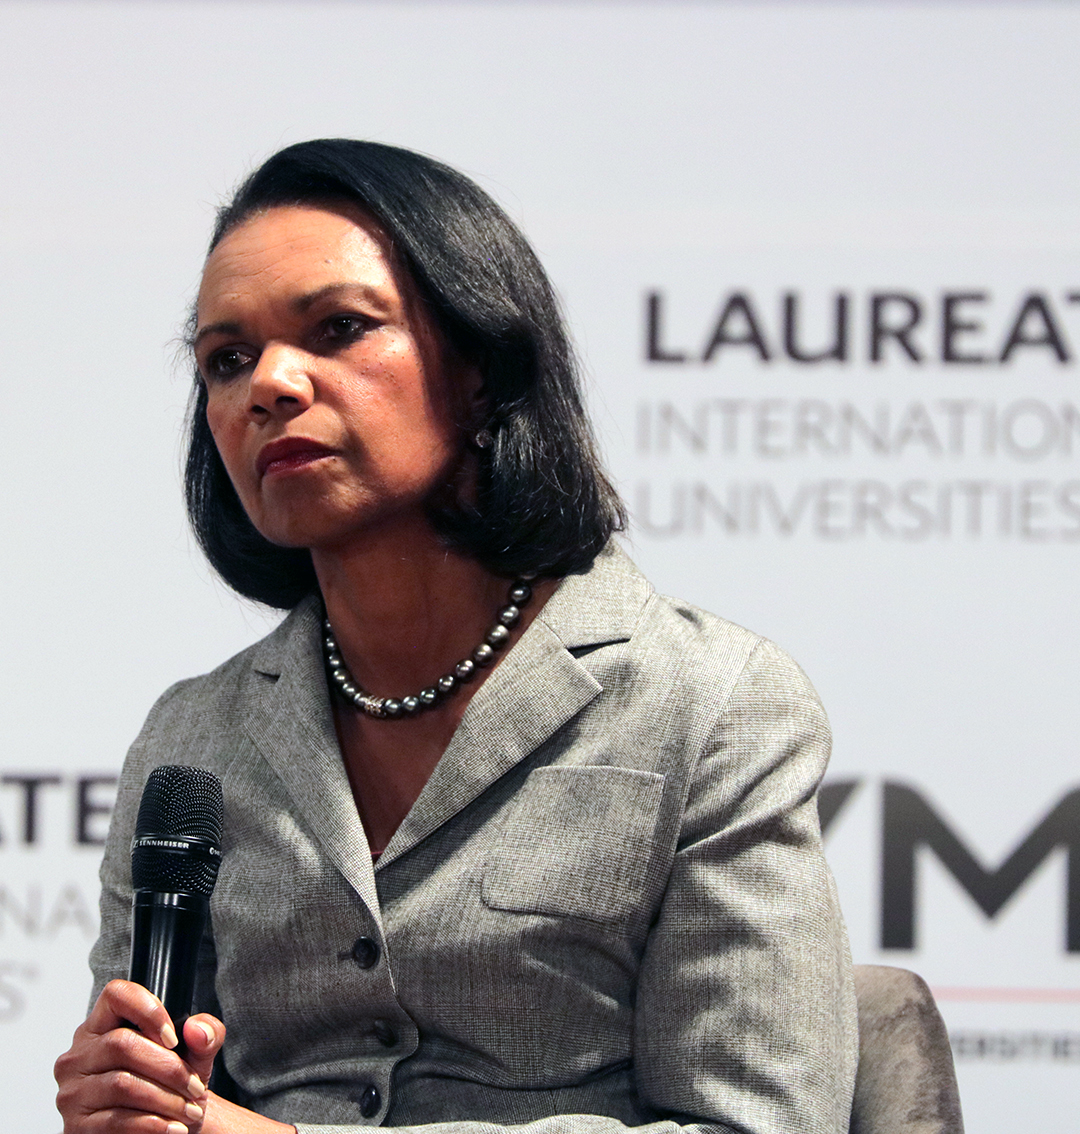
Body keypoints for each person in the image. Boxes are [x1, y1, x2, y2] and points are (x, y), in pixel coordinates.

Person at [54, 139, 856, 1134]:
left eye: (338, 329)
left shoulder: (710, 703)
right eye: (228, 360)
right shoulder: (192, 739)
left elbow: (760, 1124)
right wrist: (126, 1102)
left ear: (480, 368)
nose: (271, 385)